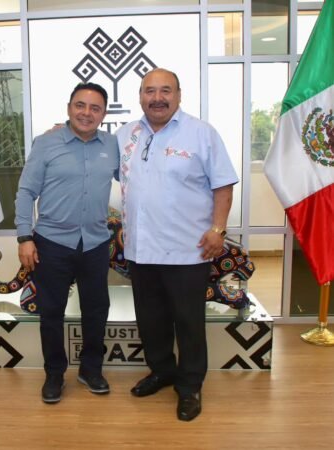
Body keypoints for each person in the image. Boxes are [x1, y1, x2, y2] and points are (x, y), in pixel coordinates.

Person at [116, 68, 238, 421]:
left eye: (165, 90)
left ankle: (190, 386)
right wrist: (63, 132)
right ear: (140, 96)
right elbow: (109, 170)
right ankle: (162, 371)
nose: (157, 98)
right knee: (151, 320)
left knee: (188, 324)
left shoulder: (201, 133)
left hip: (189, 250)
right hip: (141, 250)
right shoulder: (126, 134)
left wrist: (218, 229)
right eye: (150, 91)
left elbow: (223, 186)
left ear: (179, 95)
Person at [15, 82, 119, 404]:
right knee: (51, 312)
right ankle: (54, 374)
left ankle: (91, 370)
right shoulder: (47, 143)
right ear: (69, 107)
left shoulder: (113, 145)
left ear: (103, 113)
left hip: (95, 244)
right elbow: (26, 192)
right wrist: (24, 236)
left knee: (96, 310)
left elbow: (135, 180)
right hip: (51, 243)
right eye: (80, 105)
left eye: (95, 108)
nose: (86, 113)